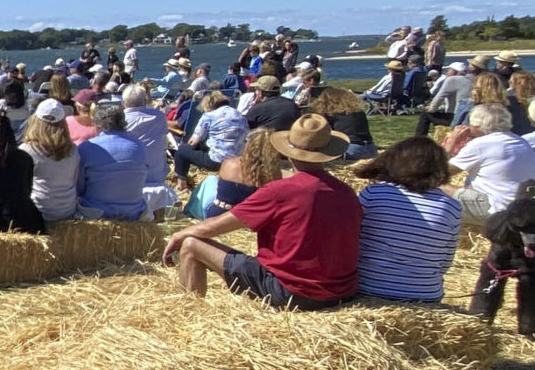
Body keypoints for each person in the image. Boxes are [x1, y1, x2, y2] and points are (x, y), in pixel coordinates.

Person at [163, 113, 360, 309]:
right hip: (341, 293)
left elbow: (215, 226)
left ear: (289, 150)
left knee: (190, 244)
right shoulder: (347, 192)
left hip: (289, 291)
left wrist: (179, 235)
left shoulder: (281, 191)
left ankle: (189, 314)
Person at [349, 136, 461, 303]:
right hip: (425, 294)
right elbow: (445, 261)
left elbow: (352, 238)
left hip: (368, 287)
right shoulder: (452, 206)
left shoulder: (374, 193)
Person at [446, 102, 535, 220]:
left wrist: (452, 141)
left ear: (477, 126)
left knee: (434, 185)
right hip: (525, 209)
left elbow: (439, 172)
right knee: (471, 183)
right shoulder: (521, 141)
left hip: (498, 212)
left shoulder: (481, 144)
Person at [24, 108, 82, 223]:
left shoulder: (27, 150)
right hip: (67, 211)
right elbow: (76, 181)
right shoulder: (74, 150)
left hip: (39, 212)